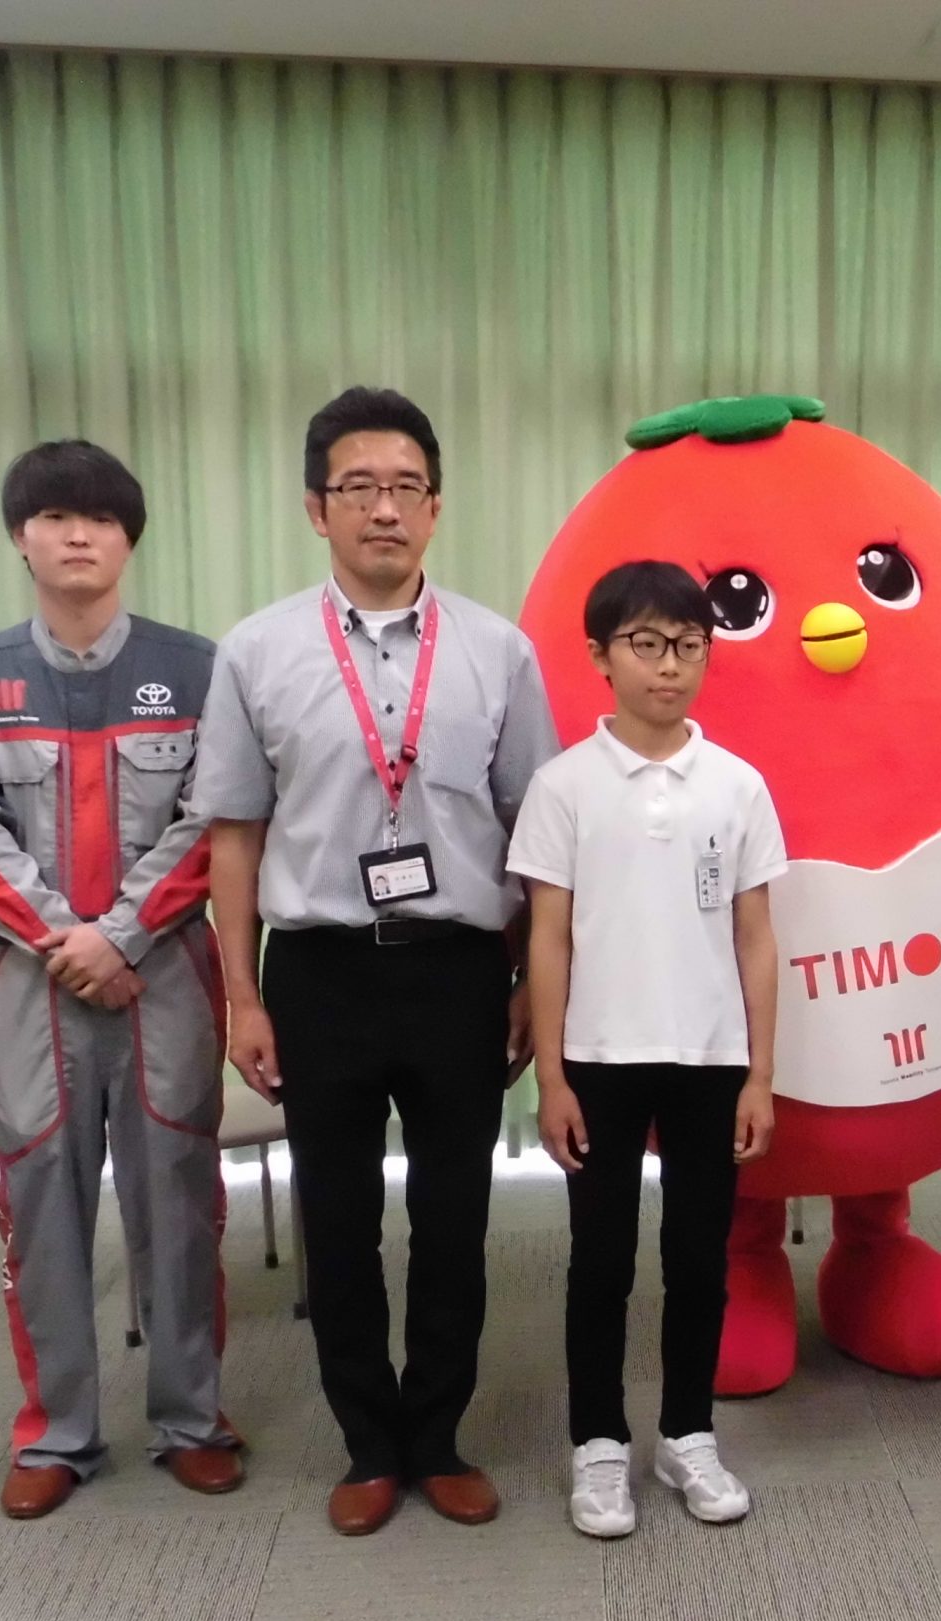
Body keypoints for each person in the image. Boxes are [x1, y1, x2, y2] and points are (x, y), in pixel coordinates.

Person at [196, 386, 560, 1537]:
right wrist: (242, 995)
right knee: (337, 1219)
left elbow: (538, 836)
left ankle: (437, 1435)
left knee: (455, 1217)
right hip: (319, 973)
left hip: (459, 967)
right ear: (317, 509)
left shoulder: (499, 653)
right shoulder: (255, 653)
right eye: (359, 487)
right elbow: (235, 836)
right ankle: (366, 1443)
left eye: (406, 487)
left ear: (437, 508)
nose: (385, 509)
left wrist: (525, 990)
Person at [0, 440, 239, 1519]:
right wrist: (68, 939)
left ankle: (191, 1417)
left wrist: (126, 934)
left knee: (182, 1203)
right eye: (54, 517)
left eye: (99, 520)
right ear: (21, 536)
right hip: (31, 984)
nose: (77, 536)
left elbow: (217, 820)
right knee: (38, 1203)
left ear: (128, 538)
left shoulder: (199, 671)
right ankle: (56, 1433)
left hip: (168, 981)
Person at [508, 561, 784, 1538]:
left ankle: (688, 1435)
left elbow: (756, 935)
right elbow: (547, 934)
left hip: (710, 1057)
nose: (671, 667)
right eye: (647, 645)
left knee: (700, 1257)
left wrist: (759, 1072)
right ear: (600, 655)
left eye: (689, 646)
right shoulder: (563, 785)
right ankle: (597, 1447)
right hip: (598, 1055)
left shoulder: (739, 786)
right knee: (602, 1260)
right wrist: (550, 1074)